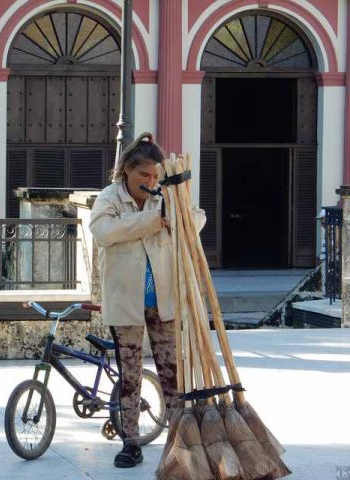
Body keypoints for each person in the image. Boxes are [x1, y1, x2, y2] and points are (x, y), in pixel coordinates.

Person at [89, 132, 205, 468]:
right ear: (126, 170)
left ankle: (178, 442)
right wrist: (153, 221)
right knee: (130, 375)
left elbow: (197, 217)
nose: (150, 182)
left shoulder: (165, 194)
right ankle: (131, 441)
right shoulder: (109, 198)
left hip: (164, 299)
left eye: (155, 176)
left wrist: (179, 219)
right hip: (125, 301)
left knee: (172, 372)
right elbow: (105, 232)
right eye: (144, 175)